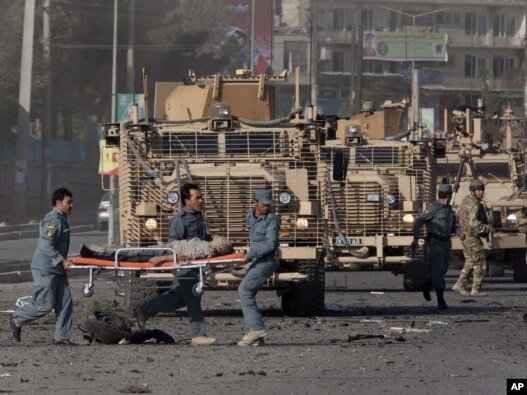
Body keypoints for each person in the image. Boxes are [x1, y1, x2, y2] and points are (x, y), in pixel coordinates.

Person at [133, 183, 217, 346]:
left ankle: (144, 310)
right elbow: (172, 245)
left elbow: (200, 239)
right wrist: (165, 259)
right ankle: (198, 335)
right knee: (193, 296)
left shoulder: (199, 217)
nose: (201, 201)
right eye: (197, 198)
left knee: (178, 298)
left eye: (201, 197)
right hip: (181, 265)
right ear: (187, 201)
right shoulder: (180, 220)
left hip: (194, 264)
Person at [8, 188, 75, 345]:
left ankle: (61, 337)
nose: (72, 205)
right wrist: (62, 261)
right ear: (58, 203)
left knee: (65, 303)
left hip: (57, 269)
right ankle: (17, 319)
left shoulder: (62, 219)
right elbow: (46, 245)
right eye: (68, 202)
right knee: (44, 304)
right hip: (46, 269)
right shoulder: (53, 220)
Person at [237, 189, 281, 346]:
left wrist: (251, 254)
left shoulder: (272, 219)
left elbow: (270, 244)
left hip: (268, 260)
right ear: (254, 203)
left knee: (244, 290)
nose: (267, 207)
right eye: (263, 204)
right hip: (258, 259)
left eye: (269, 204)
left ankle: (256, 328)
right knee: (250, 292)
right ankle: (257, 339)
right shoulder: (250, 216)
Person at [411, 184, 457, 310]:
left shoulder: (449, 210)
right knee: (438, 269)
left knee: (443, 269)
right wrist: (415, 238)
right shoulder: (434, 208)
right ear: (448, 195)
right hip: (435, 242)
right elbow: (418, 221)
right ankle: (441, 300)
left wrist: (460, 232)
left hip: (446, 243)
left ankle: (427, 283)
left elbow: (453, 227)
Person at [452, 179, 491, 297]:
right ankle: (476, 289)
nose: (480, 192)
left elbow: (458, 216)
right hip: (471, 237)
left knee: (470, 261)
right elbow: (474, 224)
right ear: (473, 191)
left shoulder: (465, 200)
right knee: (480, 263)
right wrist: (487, 228)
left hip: (464, 235)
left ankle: (460, 285)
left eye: (481, 190)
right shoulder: (475, 204)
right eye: (478, 190)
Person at [79, 235, 233, 264]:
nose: (222, 236)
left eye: (223, 239)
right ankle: (97, 254)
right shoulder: (207, 244)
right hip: (167, 249)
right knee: (128, 252)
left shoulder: (207, 250)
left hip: (166, 253)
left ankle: (94, 256)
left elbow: (185, 256)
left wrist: (162, 259)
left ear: (219, 247)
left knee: (127, 255)